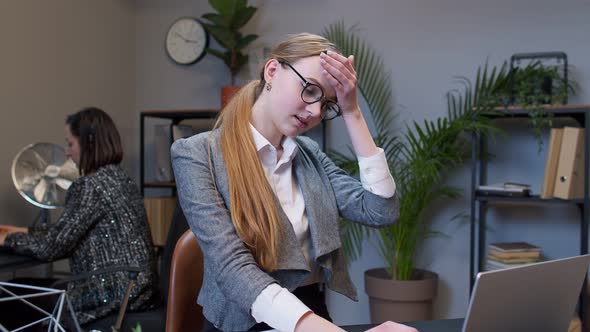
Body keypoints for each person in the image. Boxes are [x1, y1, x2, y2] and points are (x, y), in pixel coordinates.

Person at [171, 33, 417, 332]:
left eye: (327, 104)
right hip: (243, 320)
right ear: (272, 71)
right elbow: (234, 270)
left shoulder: (308, 154)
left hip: (311, 312)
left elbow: (381, 211)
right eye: (310, 90)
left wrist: (351, 112)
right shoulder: (197, 155)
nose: (315, 111)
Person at [0, 107, 158, 329]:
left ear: (89, 144)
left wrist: (7, 240)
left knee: (10, 294)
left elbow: (51, 248)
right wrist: (23, 231)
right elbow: (69, 231)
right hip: (137, 290)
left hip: (111, 292)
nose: (67, 152)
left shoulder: (90, 186)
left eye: (70, 144)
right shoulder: (120, 179)